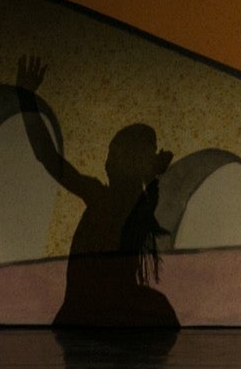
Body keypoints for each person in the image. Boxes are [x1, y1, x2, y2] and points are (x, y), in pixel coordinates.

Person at [14, 56, 178, 327]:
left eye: (115, 156)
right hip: (92, 311)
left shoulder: (118, 201)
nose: (108, 162)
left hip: (95, 312)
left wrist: (25, 97)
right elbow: (48, 156)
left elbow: (48, 157)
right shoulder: (128, 201)